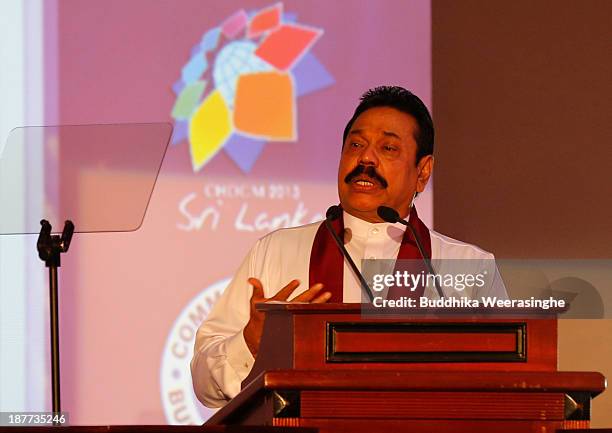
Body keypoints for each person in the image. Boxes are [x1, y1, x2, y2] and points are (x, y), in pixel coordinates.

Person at [190, 86, 507, 408]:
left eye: (388, 148)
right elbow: (204, 386)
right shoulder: (277, 251)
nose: (365, 158)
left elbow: (507, 385)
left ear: (422, 172)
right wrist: (251, 343)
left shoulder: (468, 265)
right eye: (356, 145)